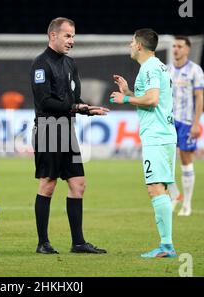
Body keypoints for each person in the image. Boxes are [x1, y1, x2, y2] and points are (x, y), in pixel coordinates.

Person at [30, 17, 109, 254]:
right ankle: (43, 243)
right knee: (48, 184)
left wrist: (88, 108)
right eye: (67, 35)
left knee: (78, 185)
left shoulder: (70, 64)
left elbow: (74, 101)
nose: (71, 41)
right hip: (48, 129)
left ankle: (78, 243)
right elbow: (45, 102)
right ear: (53, 36)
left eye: (73, 36)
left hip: (67, 131)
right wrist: (76, 108)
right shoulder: (41, 64)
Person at [110, 28, 177, 258]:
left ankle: (166, 247)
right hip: (163, 133)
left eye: (131, 42)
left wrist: (125, 98)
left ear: (139, 45)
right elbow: (151, 100)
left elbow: (152, 100)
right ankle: (166, 245)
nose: (129, 45)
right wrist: (128, 89)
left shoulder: (149, 68)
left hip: (157, 136)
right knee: (161, 188)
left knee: (155, 188)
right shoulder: (157, 67)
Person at [167, 36, 204, 216]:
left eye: (180, 46)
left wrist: (196, 123)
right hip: (168, 121)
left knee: (185, 159)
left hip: (187, 122)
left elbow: (199, 98)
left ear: (187, 50)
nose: (176, 49)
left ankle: (187, 204)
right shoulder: (166, 70)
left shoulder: (195, 70)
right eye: (174, 46)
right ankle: (175, 195)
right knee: (165, 161)